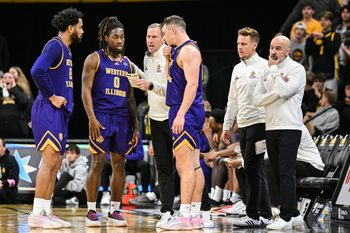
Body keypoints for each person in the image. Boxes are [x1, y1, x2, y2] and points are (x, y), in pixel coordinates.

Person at [28, 7, 84, 229]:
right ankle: (37, 212)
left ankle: (46, 210)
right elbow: (36, 70)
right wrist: (51, 96)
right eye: (80, 27)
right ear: (70, 27)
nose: (82, 31)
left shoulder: (66, 51)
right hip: (47, 109)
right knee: (50, 161)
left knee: (56, 162)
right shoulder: (55, 46)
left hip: (59, 113)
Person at [81, 16, 138, 227]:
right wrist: (92, 118)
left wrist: (135, 127)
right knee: (97, 163)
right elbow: (85, 91)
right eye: (115, 36)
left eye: (122, 36)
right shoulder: (94, 59)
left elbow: (131, 98)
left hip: (122, 118)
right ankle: (91, 210)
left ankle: (115, 211)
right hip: (102, 116)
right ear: (106, 38)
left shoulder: (128, 64)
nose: (120, 40)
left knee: (120, 164)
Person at [156, 15, 205, 231]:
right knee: (193, 165)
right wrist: (167, 59)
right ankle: (194, 214)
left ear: (174, 30)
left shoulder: (189, 51)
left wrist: (181, 113)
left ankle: (185, 215)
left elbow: (193, 84)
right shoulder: (178, 51)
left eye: (164, 34)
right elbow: (171, 79)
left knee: (183, 165)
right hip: (184, 110)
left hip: (186, 111)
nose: (163, 38)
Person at [220, 27, 272, 228]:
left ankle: (254, 214)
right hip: (243, 126)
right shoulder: (237, 69)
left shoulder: (265, 66)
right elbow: (232, 100)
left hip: (260, 124)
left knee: (252, 167)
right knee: (252, 169)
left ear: (254, 45)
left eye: (243, 44)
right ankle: (265, 214)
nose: (239, 47)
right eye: (238, 43)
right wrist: (226, 125)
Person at [254, 35, 306, 230]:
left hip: (290, 127)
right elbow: (257, 99)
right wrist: (276, 90)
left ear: (287, 51)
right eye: (271, 47)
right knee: (275, 172)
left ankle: (286, 216)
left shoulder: (297, 69)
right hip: (272, 127)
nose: (273, 52)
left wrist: (274, 72)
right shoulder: (267, 71)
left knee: (286, 172)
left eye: (278, 48)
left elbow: (285, 91)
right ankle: (294, 213)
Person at [134, 23, 176, 225]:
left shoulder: (169, 56)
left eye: (154, 37)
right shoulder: (146, 57)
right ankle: (167, 210)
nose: (150, 40)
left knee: (187, 166)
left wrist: (151, 85)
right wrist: (135, 73)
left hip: (174, 117)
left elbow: (172, 91)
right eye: (147, 36)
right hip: (156, 118)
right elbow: (148, 85)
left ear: (163, 38)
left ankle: (199, 208)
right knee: (163, 167)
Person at [0, 72, 32, 138]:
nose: (7, 79)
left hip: (18, 129)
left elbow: (25, 102)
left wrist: (14, 88)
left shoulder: (20, 89)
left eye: (10, 77)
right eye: (5, 78)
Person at [0, 137, 19, 204]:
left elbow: (14, 181)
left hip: (7, 191)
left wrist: (2, 183)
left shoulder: (11, 160)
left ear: (4, 148)